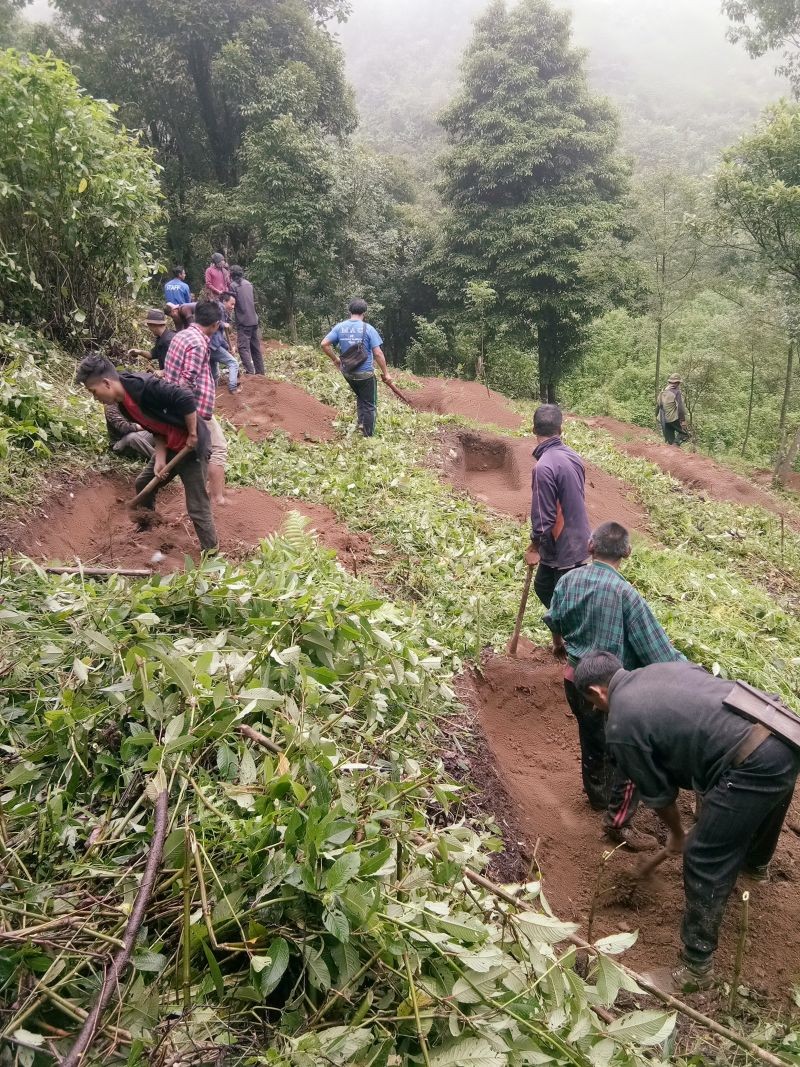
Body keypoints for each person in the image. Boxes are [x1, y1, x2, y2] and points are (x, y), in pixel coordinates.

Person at [574, 651, 800, 992]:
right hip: (784, 729)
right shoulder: (660, 669)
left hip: (752, 760)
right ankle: (755, 867)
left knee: (704, 855)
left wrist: (679, 836)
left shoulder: (621, 723)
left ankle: (696, 970)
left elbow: (660, 795)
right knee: (770, 787)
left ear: (596, 692)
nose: (596, 711)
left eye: (593, 704)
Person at [545, 522, 684, 851]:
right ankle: (618, 819)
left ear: (590, 546)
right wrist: (689, 673)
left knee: (591, 740)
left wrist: (558, 645)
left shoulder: (569, 580)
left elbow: (554, 620)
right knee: (625, 751)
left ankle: (597, 798)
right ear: (627, 552)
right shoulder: (626, 595)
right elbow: (658, 652)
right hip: (610, 690)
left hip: (576, 680)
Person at [75, 354, 217, 552]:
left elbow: (185, 397)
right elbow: (155, 428)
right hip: (169, 446)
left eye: (93, 391)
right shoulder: (123, 403)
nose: (95, 397)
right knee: (143, 483)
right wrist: (159, 458)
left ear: (106, 383)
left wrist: (193, 433)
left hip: (192, 449)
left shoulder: (145, 387)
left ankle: (212, 555)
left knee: (197, 506)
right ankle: (149, 527)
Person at [163, 300, 229, 506]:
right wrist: (192, 422)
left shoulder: (180, 335)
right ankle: (216, 499)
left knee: (193, 455)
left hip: (177, 405)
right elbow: (186, 383)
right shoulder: (199, 344)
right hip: (194, 409)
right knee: (218, 448)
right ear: (215, 325)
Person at [526, 404, 591, 608]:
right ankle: (559, 638)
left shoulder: (544, 467)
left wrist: (535, 546)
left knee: (564, 601)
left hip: (565, 547)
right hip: (578, 540)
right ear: (560, 430)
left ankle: (571, 637)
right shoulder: (573, 457)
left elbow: (544, 518)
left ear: (534, 430)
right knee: (544, 587)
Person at [321, 298, 393, 437]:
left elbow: (324, 344)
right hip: (365, 375)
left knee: (361, 396)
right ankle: (368, 435)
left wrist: (335, 359)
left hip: (348, 373)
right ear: (364, 312)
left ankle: (361, 422)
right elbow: (378, 353)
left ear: (350, 311)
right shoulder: (368, 329)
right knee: (370, 404)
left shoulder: (340, 327)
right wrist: (386, 373)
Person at [229, 265, 264, 375]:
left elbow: (232, 303)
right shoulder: (249, 284)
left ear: (231, 275)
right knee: (255, 347)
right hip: (254, 319)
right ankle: (260, 372)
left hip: (243, 321)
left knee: (243, 347)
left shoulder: (233, 286)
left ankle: (250, 372)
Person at [209, 293, 240, 394]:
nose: (233, 307)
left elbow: (219, 337)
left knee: (214, 373)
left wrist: (227, 347)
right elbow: (214, 323)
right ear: (224, 302)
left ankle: (213, 393)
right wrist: (223, 324)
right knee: (233, 363)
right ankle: (233, 388)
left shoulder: (218, 309)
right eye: (231, 304)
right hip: (212, 345)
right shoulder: (220, 308)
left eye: (234, 304)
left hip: (208, 344)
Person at [657, 374, 689, 446]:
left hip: (663, 419)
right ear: (678, 383)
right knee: (685, 434)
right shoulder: (677, 392)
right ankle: (675, 445)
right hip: (672, 418)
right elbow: (680, 408)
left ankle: (672, 450)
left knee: (670, 441)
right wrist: (682, 421)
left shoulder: (663, 390)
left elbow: (658, 403)